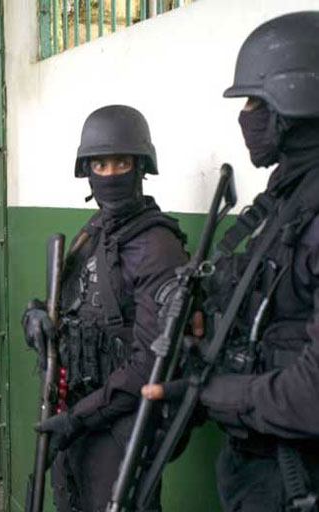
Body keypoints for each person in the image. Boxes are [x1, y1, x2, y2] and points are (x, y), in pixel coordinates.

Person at [142, 12, 319, 511]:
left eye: (255, 102)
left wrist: (211, 394)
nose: (246, 116)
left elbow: (312, 395)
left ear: (295, 101)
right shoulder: (287, 195)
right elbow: (267, 295)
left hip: (296, 478)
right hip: (258, 467)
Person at [22, 105, 188, 511]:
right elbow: (63, 308)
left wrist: (78, 419)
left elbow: (149, 364)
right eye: (100, 164)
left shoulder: (158, 246)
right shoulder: (92, 232)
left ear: (140, 167)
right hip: (73, 417)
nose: (110, 174)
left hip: (120, 428)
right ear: (87, 171)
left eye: (121, 163)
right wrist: (35, 317)